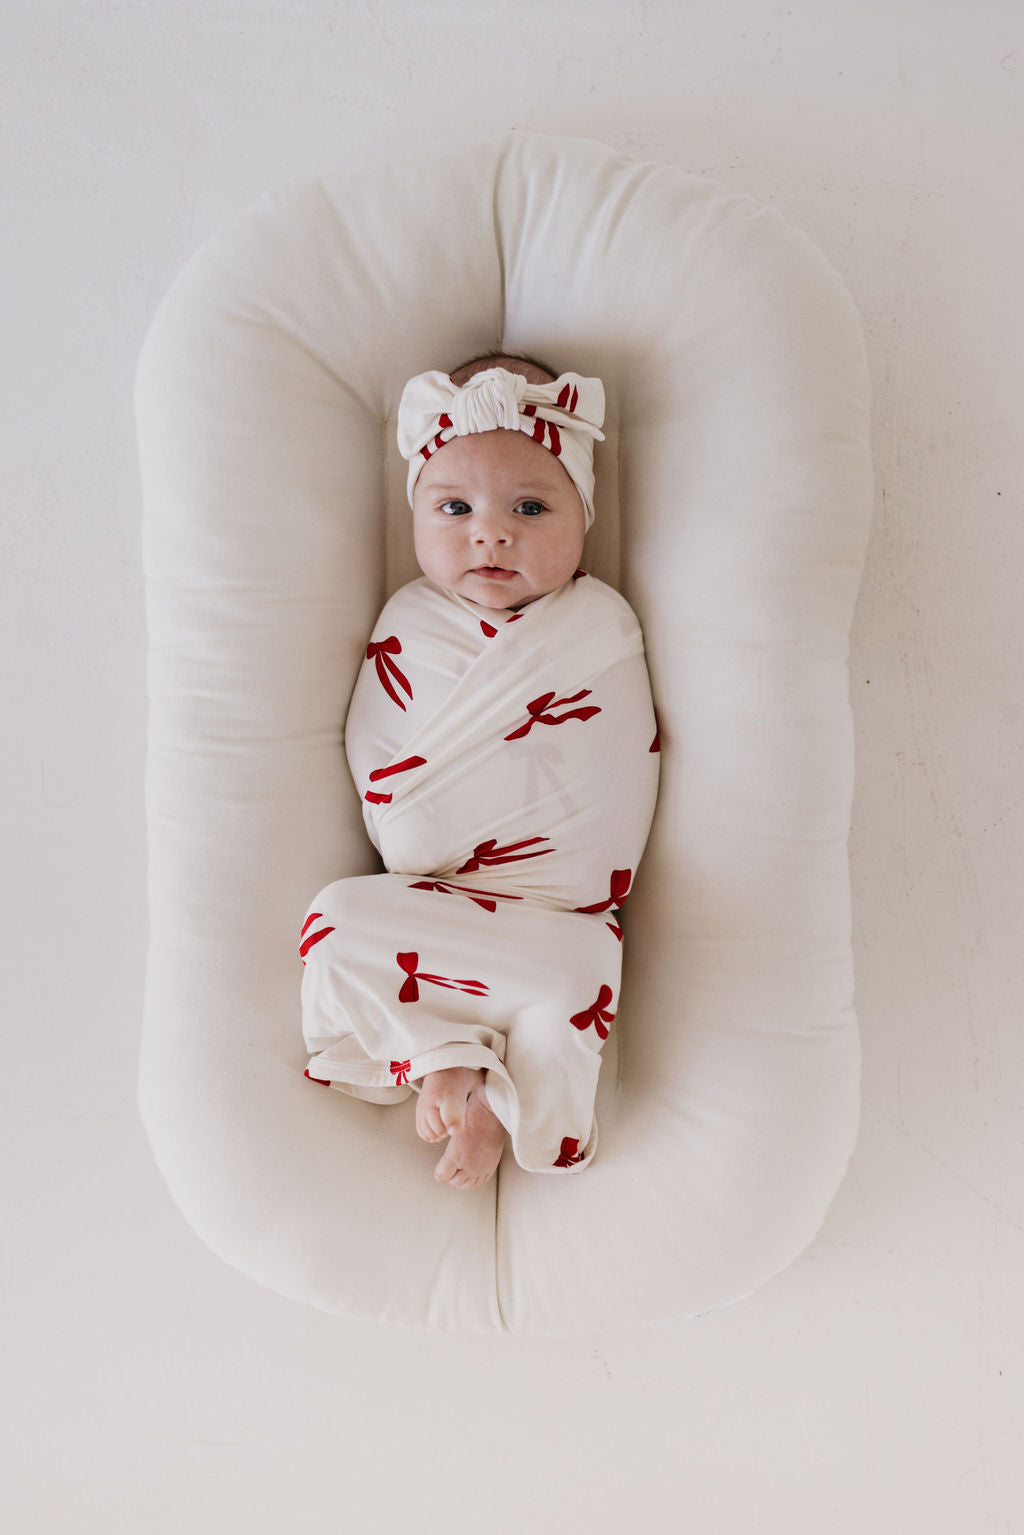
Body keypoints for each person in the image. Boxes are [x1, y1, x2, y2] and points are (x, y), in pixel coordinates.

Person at [299, 351, 660, 1189]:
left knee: (579, 971)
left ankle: (485, 1090)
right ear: (417, 515)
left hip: (560, 915)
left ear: (585, 517)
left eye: (530, 506)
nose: (490, 532)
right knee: (338, 919)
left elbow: (617, 760)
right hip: (436, 900)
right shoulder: (409, 621)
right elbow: (383, 767)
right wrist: (432, 826)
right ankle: (448, 1056)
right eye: (454, 506)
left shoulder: (599, 627)